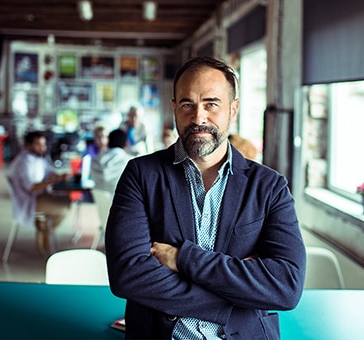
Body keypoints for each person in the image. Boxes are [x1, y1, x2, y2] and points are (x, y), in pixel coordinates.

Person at [105, 56, 306, 339]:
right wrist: (238, 295)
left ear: (233, 110)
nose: (198, 117)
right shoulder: (141, 175)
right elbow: (128, 275)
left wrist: (183, 258)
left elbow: (285, 287)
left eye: (211, 104)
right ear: (174, 108)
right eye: (187, 104)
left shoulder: (269, 186)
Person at [7, 131, 70, 253]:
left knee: (66, 200)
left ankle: (43, 229)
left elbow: (49, 172)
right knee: (63, 208)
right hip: (29, 201)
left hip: (38, 196)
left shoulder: (37, 157)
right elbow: (31, 187)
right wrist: (51, 181)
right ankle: (45, 231)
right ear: (28, 145)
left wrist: (60, 176)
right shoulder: (24, 161)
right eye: (38, 144)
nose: (42, 148)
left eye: (44, 144)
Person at [90, 129, 133, 194]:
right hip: (122, 201)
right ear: (126, 144)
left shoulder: (96, 160)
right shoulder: (131, 162)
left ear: (108, 142)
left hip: (100, 201)